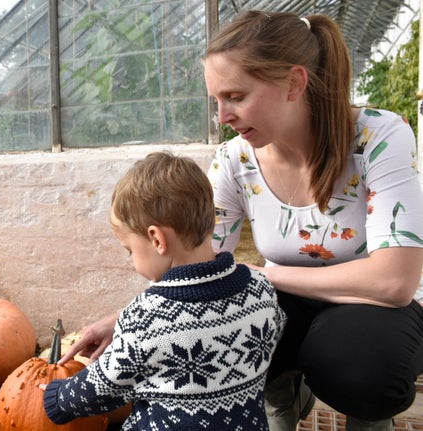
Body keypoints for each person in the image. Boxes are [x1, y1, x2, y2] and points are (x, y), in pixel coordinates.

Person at [60, 10, 423, 431]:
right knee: (210, 333)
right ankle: (282, 395)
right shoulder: (235, 160)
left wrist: (267, 275)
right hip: (290, 302)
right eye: (216, 100)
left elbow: (393, 283)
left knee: (356, 366)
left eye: (235, 96)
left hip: (380, 309)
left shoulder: (378, 137)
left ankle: (367, 416)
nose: (222, 116)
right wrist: (124, 321)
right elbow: (195, 270)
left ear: (294, 83)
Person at [42, 151, 287, 429]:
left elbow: (105, 386)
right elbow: (275, 330)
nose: (132, 261)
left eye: (130, 251)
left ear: (157, 239)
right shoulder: (260, 290)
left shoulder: (145, 317)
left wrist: (58, 397)